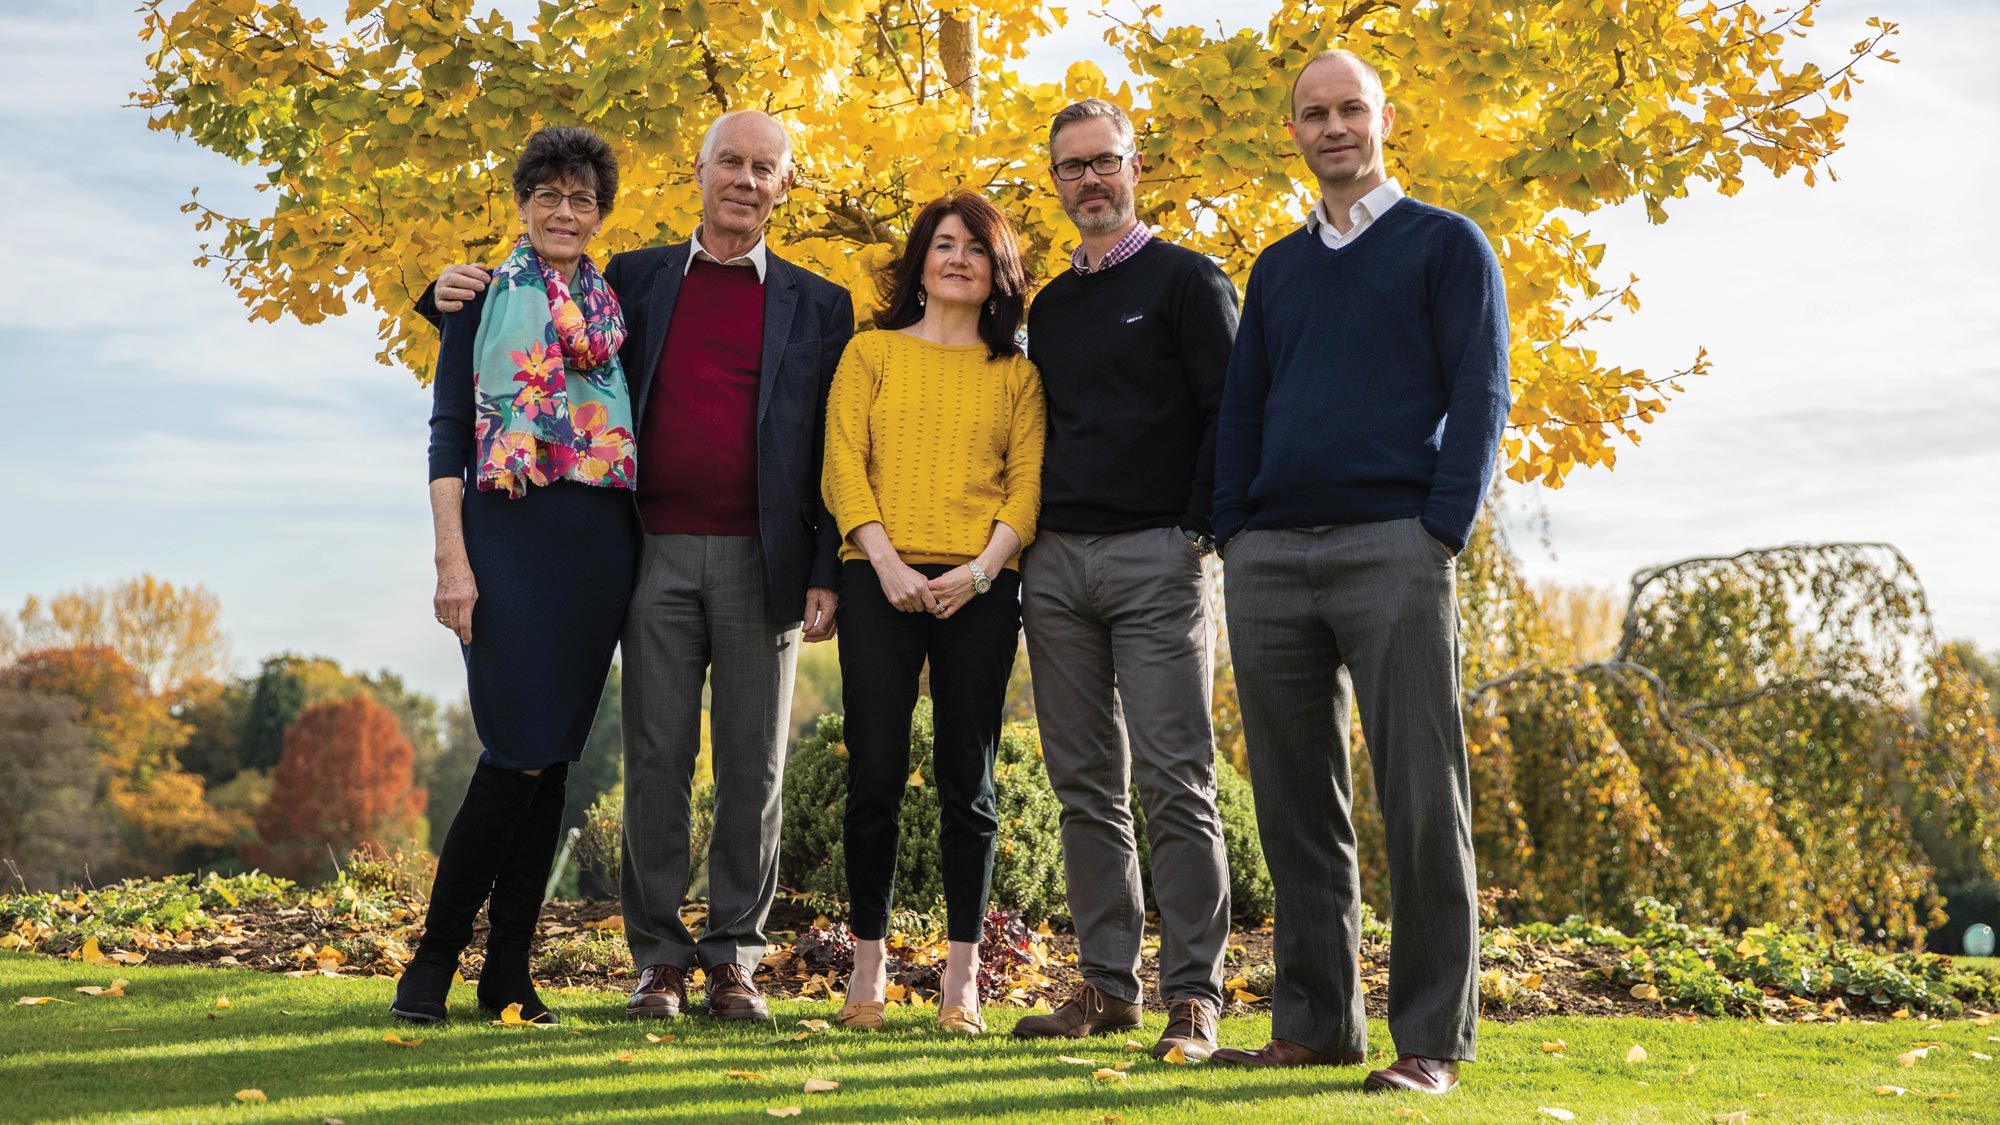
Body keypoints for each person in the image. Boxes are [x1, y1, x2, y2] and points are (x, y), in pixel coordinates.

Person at [420, 110, 855, 1023]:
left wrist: (827, 566)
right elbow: (533, 305)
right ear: (698, 173)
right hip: (646, 554)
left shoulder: (821, 305)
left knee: (755, 766)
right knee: (655, 758)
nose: (744, 179)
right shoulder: (640, 281)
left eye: (762, 168)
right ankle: (657, 959)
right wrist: (442, 291)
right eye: (728, 162)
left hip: (761, 562)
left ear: (785, 186)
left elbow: (831, 448)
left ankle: (733, 957)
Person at [1208, 50, 1510, 1095]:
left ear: (1384, 120)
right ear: (1291, 131)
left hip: (1393, 546)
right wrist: (1232, 528)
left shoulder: (1446, 245)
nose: (1331, 127)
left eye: (1348, 110)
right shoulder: (1278, 269)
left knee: (1422, 799)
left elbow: (1479, 394)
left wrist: (1439, 528)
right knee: (1293, 803)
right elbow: (1242, 404)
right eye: (1311, 113)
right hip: (1271, 557)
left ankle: (1428, 1042)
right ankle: (1315, 1023)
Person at [1007, 98, 1239, 1062]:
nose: (1090, 180)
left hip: (1157, 559)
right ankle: (1108, 986)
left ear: (1134, 167)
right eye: (1072, 168)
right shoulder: (1049, 307)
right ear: (1055, 183)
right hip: (1055, 564)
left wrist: (1196, 529)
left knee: (1177, 780)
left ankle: (1194, 994)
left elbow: (1231, 409)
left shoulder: (1189, 280)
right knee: (1083, 785)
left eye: (1105, 163)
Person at [392, 126, 637, 1027]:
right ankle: (430, 963)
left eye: (582, 198)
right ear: (523, 205)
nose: (565, 211)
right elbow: (449, 435)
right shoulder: (478, 299)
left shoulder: (615, 313)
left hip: (600, 552)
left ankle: (508, 978)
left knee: (552, 762)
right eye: (549, 196)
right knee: (513, 751)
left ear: (599, 213)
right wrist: (451, 561)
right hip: (507, 546)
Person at [821, 190, 1044, 1036]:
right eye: (943, 244)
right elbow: (844, 463)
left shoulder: (1017, 374)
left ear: (998, 273)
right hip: (878, 579)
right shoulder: (869, 353)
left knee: (969, 781)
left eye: (976, 249)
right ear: (918, 262)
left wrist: (981, 572)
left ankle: (962, 979)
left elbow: (1026, 484)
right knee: (873, 773)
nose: (958, 259)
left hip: (979, 591)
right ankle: (867, 968)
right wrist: (884, 562)